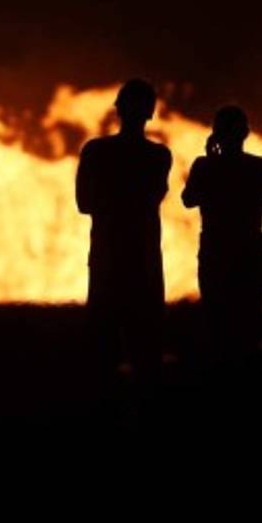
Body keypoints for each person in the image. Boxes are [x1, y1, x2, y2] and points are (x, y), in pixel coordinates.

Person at [182, 106, 262, 386]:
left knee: (217, 326)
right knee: (248, 327)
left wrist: (210, 161)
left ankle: (223, 389)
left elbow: (188, 199)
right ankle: (250, 390)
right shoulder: (261, 167)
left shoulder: (204, 166)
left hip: (216, 253)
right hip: (250, 252)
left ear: (216, 133)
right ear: (246, 133)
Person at [75, 78, 172, 409]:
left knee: (102, 347)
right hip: (142, 260)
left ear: (118, 110)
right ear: (151, 112)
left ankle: (103, 415)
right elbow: (149, 199)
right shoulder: (159, 157)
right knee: (145, 349)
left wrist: (112, 198)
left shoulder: (95, 151)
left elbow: (85, 203)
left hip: (108, 259)